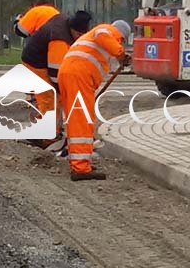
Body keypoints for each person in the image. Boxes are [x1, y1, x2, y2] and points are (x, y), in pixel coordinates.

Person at [58, 20, 130, 181]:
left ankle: (79, 160)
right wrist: (121, 53)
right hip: (78, 76)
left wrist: (119, 58)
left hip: (71, 74)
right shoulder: (107, 30)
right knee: (82, 120)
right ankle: (80, 167)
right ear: (121, 36)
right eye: (122, 41)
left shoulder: (97, 38)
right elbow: (102, 35)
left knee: (77, 119)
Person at [20, 10, 92, 138]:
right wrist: (65, 92)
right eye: (79, 34)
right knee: (50, 99)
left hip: (43, 61)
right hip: (35, 64)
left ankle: (47, 129)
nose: (80, 38)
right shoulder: (59, 39)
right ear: (73, 29)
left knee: (54, 99)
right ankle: (49, 135)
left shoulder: (66, 24)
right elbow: (55, 73)